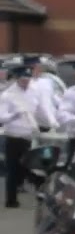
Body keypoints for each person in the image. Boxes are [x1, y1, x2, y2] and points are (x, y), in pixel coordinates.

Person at [1, 64, 59, 208]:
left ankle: (40, 193)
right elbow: (1, 117)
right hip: (13, 136)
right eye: (23, 79)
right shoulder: (8, 95)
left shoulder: (33, 92)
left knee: (33, 167)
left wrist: (52, 122)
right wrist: (14, 115)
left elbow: (43, 109)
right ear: (17, 79)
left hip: (29, 136)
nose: (26, 82)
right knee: (13, 169)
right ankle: (11, 199)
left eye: (28, 79)